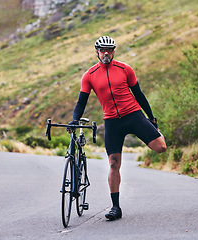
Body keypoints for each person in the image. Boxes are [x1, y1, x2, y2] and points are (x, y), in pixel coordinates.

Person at [69, 36, 167, 221]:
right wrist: (75, 119)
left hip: (133, 115)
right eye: (103, 50)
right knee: (114, 164)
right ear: (97, 52)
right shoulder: (89, 75)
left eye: (110, 50)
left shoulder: (125, 69)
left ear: (114, 51)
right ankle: (115, 207)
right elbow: (81, 102)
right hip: (112, 122)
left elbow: (139, 94)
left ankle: (153, 133)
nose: (106, 53)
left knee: (161, 147)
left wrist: (151, 118)